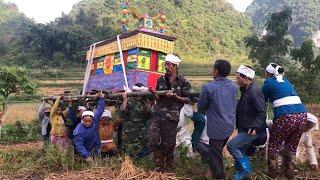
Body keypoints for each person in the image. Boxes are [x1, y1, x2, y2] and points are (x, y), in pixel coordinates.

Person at [262, 63, 307, 179]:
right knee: (291, 146)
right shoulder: (286, 81)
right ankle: (289, 174)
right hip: (302, 115)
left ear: (268, 73)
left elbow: (261, 101)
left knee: (274, 145)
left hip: (285, 116)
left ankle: (272, 174)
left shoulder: (268, 83)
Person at [149, 53, 191, 172]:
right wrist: (154, 94)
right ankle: (158, 167)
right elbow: (158, 99)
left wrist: (176, 97)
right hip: (158, 115)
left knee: (169, 144)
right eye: (165, 64)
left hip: (171, 117)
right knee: (153, 140)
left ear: (175, 66)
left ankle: (168, 169)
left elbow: (188, 99)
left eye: (168, 64)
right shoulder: (160, 79)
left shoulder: (183, 82)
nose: (166, 67)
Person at [198, 59, 237, 179]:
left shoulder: (209, 87)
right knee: (216, 150)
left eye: (213, 69)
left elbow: (201, 106)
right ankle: (209, 173)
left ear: (216, 71)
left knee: (215, 154)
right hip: (230, 125)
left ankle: (219, 176)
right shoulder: (233, 86)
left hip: (217, 128)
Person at [227, 65, 267, 180]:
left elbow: (261, 112)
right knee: (240, 149)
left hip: (252, 130)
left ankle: (246, 171)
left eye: (238, 78)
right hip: (245, 128)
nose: (237, 80)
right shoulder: (245, 91)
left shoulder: (254, 92)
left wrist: (255, 126)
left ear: (246, 78)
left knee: (232, 145)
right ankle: (241, 174)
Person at [119, 84, 153, 158]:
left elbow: (149, 116)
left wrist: (149, 105)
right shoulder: (129, 101)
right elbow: (122, 114)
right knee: (131, 154)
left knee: (144, 153)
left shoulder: (144, 101)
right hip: (131, 134)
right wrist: (124, 101)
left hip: (142, 134)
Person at [73, 92, 105, 162]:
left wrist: (102, 99)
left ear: (92, 119)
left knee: (98, 161)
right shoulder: (79, 131)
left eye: (89, 121)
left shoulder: (95, 119)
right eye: (86, 121)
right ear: (82, 119)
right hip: (86, 150)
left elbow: (99, 110)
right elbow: (79, 145)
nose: (87, 123)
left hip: (96, 146)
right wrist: (86, 156)